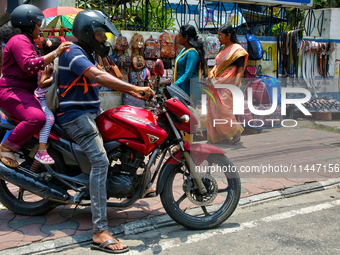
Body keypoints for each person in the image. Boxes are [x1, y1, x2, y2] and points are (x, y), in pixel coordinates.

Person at [56, 10, 155, 253]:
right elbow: (97, 76)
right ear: (88, 33)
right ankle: (100, 231)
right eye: (100, 34)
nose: (104, 39)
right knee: (100, 162)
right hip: (75, 117)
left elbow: (105, 73)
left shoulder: (89, 53)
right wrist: (133, 89)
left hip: (89, 114)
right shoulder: (72, 52)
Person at [0, 4, 72, 168]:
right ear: (29, 23)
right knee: (37, 118)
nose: (40, 28)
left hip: (23, 91)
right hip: (12, 91)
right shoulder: (19, 40)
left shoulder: (26, 41)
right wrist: (56, 52)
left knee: (49, 118)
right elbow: (29, 65)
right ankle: (6, 146)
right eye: (38, 24)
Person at [207, 24, 249, 144]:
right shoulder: (222, 49)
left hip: (227, 83)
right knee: (213, 109)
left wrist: (236, 85)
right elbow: (217, 66)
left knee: (223, 110)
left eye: (220, 35)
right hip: (216, 81)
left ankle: (235, 132)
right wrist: (211, 74)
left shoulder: (238, 50)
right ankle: (219, 136)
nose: (218, 38)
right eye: (218, 35)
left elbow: (240, 69)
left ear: (228, 35)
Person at [34, 37, 63, 164]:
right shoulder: (48, 64)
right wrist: (56, 78)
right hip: (41, 97)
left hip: (48, 96)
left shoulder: (52, 62)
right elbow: (42, 84)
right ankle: (41, 150)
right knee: (49, 118)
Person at [174, 24, 205, 107]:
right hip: (183, 86)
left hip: (189, 87)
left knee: (187, 115)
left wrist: (174, 85)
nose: (178, 38)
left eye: (179, 35)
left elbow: (187, 74)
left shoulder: (192, 53)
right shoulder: (185, 49)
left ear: (186, 38)